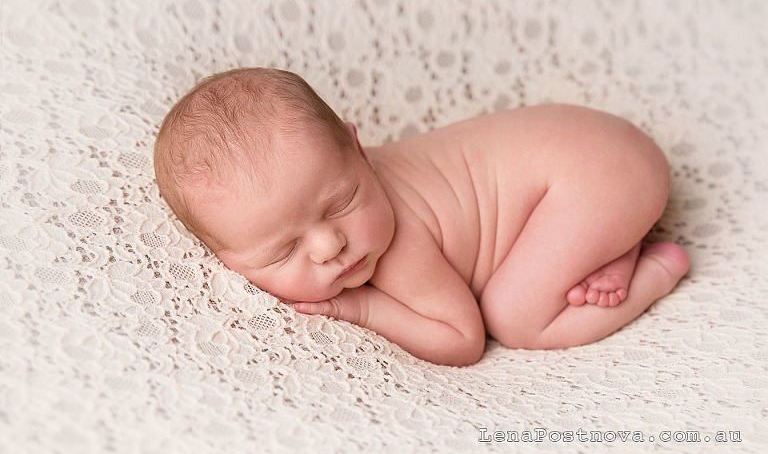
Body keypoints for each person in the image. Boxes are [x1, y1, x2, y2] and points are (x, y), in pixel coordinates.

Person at [153, 67, 690, 366]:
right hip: (591, 147)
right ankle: (610, 244)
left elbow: (462, 339)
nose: (328, 247)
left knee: (515, 316)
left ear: (358, 151)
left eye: (341, 203)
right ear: (221, 259)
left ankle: (654, 268)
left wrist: (360, 309)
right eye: (283, 251)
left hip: (600, 175)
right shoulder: (328, 180)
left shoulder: (396, 243)